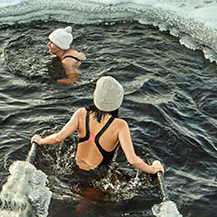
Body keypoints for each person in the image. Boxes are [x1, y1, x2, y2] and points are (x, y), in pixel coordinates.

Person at [31, 75, 164, 175]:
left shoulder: (81, 113)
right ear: (118, 101)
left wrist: (41, 141)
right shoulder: (120, 125)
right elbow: (132, 160)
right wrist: (152, 169)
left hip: (75, 168)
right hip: (98, 174)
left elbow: (58, 138)